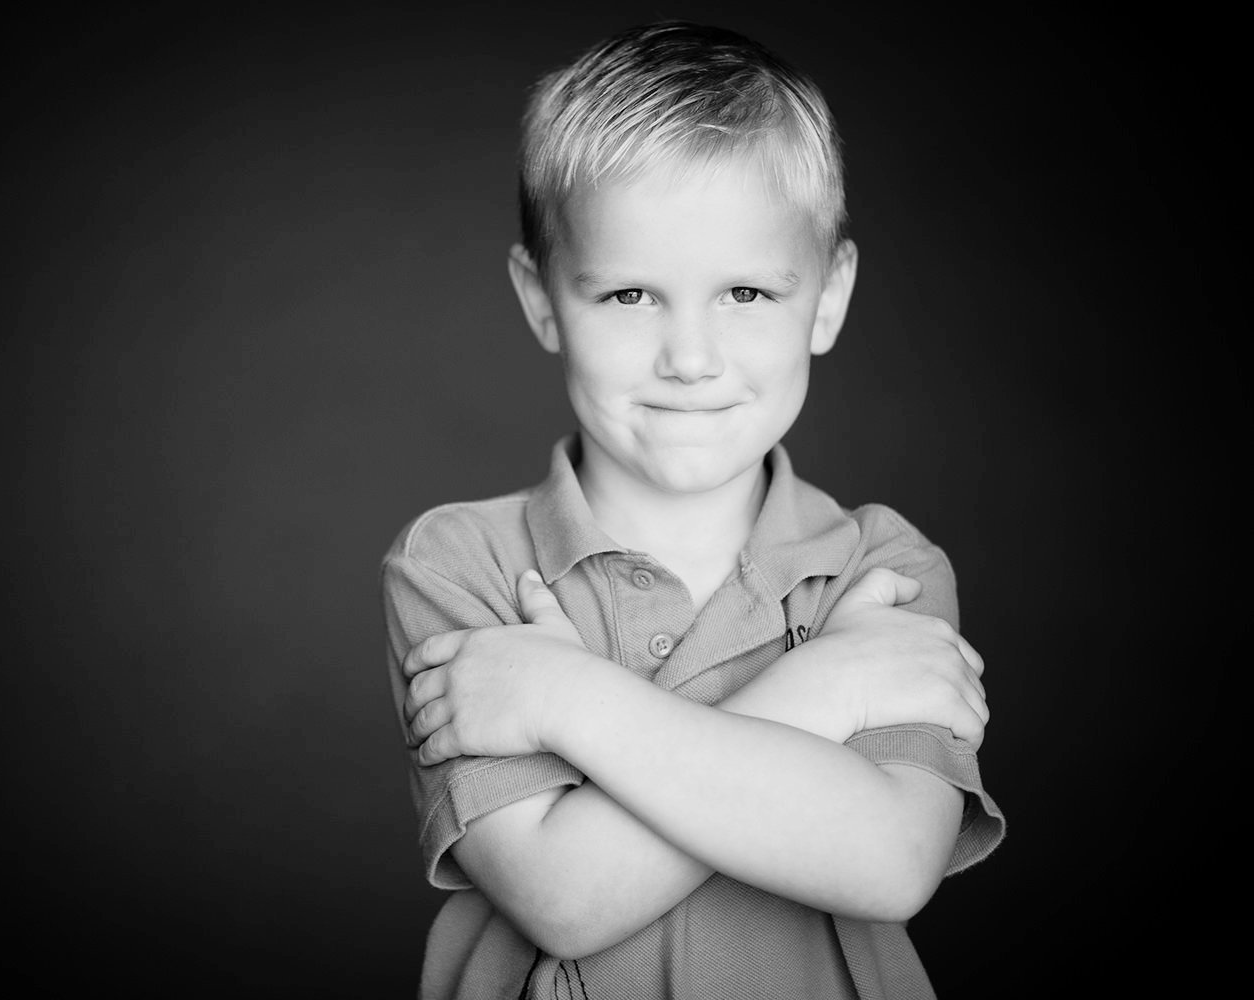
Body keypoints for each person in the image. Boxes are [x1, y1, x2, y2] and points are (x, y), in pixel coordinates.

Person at [380, 21, 1005, 1000]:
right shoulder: (463, 564)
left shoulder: (884, 568)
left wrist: (563, 699)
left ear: (829, 297)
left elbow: (888, 864)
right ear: (542, 299)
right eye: (629, 294)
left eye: (747, 291)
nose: (691, 356)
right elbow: (565, 895)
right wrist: (829, 687)